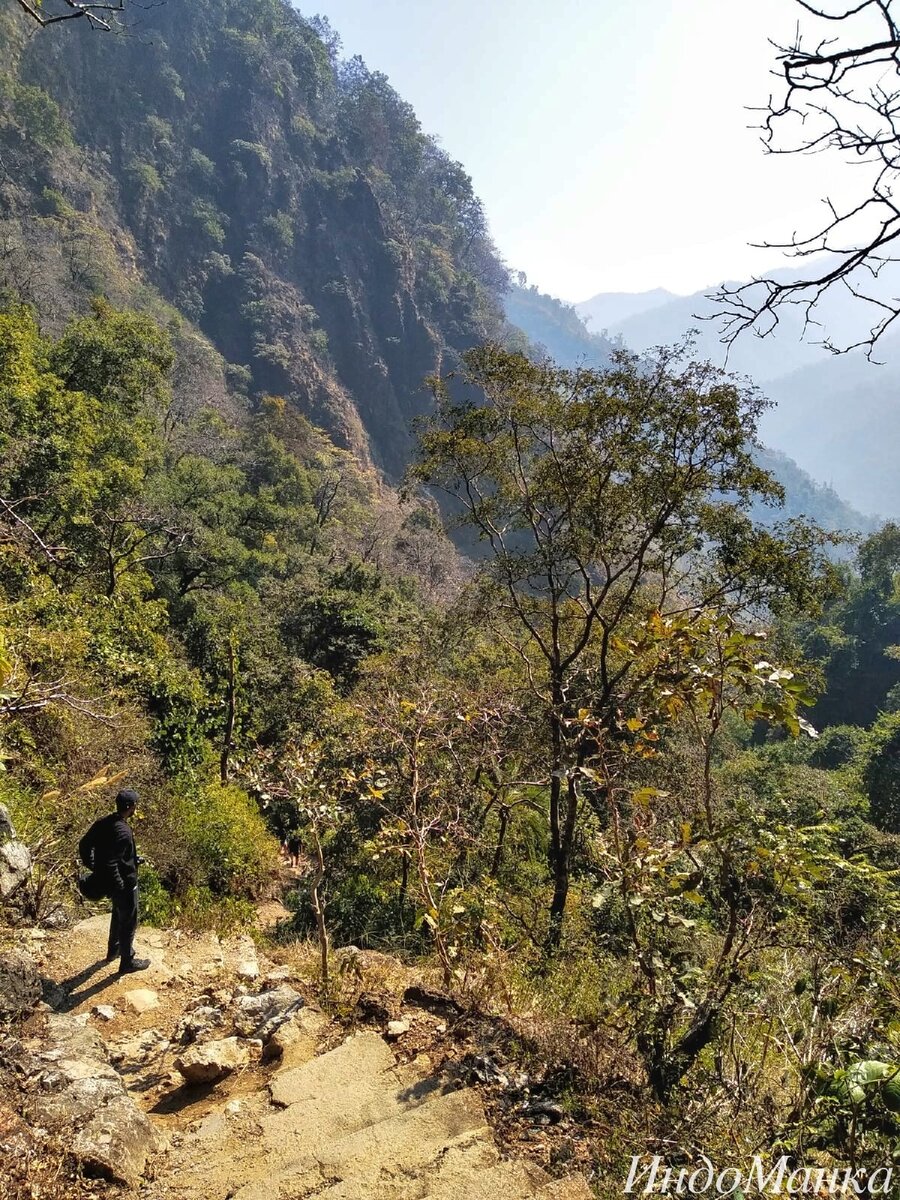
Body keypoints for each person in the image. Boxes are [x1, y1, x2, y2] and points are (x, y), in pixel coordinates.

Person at [78, 789, 150, 974]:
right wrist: (119, 885)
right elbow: (112, 861)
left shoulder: (104, 822)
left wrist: (94, 866)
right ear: (130, 807)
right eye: (135, 804)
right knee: (128, 922)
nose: (136, 807)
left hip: (114, 882)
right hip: (125, 884)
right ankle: (127, 962)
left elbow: (85, 845)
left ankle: (114, 950)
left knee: (118, 914)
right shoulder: (124, 832)